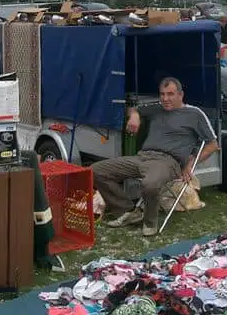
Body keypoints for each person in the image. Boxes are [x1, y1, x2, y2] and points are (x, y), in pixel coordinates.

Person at [91, 77, 219, 237]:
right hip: (143, 157)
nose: (165, 99)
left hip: (168, 161)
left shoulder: (194, 114)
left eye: (170, 94)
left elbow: (213, 144)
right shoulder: (156, 109)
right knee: (96, 170)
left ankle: (150, 223)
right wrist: (134, 115)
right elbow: (133, 108)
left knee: (150, 183)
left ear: (181, 95)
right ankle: (128, 210)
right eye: (162, 94)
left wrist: (191, 162)